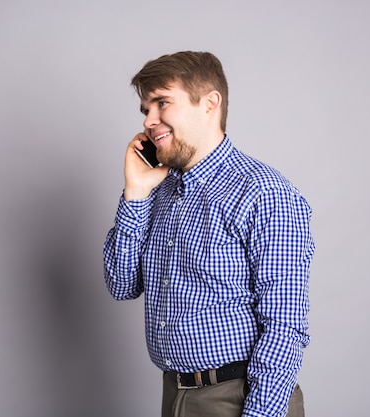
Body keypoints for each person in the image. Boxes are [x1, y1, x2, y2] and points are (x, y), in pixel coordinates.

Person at [103, 51, 315, 417]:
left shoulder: (264, 193)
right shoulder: (161, 189)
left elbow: (285, 326)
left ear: (210, 104)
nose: (150, 120)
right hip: (175, 393)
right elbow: (121, 285)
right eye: (145, 110)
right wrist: (135, 194)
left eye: (162, 103)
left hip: (240, 399)